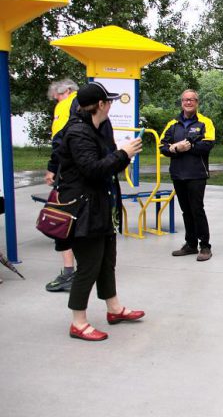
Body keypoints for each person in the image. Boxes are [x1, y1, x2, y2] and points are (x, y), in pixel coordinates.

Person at [57, 81, 145, 341]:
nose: (111, 105)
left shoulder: (97, 129)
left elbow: (105, 167)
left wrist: (122, 155)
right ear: (101, 105)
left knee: (107, 260)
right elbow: (92, 169)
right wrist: (123, 154)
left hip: (101, 206)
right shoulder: (78, 133)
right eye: (109, 101)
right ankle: (79, 321)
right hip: (83, 210)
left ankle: (114, 308)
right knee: (90, 265)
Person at [160, 89, 216, 261]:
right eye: (185, 100)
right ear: (181, 102)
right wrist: (175, 148)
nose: (188, 102)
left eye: (192, 100)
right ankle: (190, 244)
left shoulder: (205, 122)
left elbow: (208, 145)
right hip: (178, 174)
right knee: (186, 211)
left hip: (197, 173)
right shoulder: (173, 124)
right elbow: (162, 146)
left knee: (197, 209)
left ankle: (205, 246)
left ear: (197, 102)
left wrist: (190, 147)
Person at [44, 79, 79, 292]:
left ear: (66, 91)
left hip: (68, 174)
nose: (56, 102)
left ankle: (68, 272)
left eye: (57, 97)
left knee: (60, 219)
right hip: (88, 174)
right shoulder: (90, 105)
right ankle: (87, 269)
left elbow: (59, 142)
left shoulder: (66, 105)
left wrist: (52, 168)